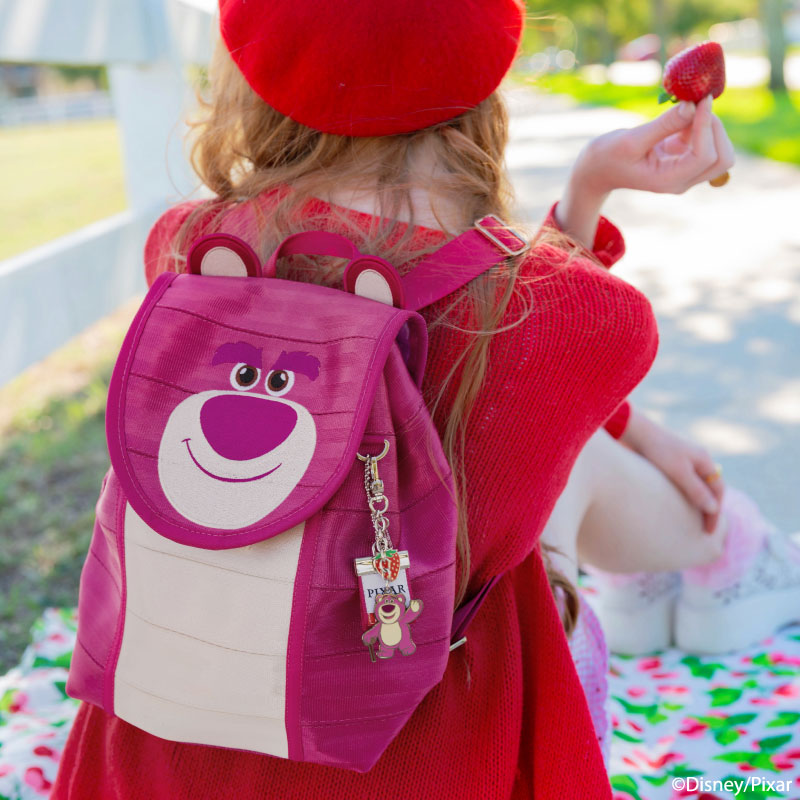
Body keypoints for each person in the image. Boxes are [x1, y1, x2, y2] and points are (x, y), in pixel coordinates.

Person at [52, 1, 737, 798]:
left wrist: (626, 420)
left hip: (153, 749)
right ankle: (735, 559)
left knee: (560, 458)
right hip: (426, 757)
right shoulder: (585, 318)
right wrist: (589, 192)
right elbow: (524, 353)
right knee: (582, 488)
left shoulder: (186, 251)